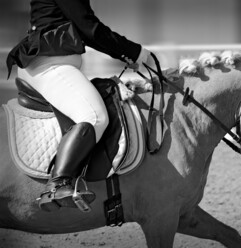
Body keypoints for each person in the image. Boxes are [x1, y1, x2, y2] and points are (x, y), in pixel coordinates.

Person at [6, 0, 151, 212]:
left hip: (53, 61)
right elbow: (89, 28)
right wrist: (135, 52)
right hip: (50, 65)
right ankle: (58, 184)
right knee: (95, 117)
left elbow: (84, 31)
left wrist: (125, 54)